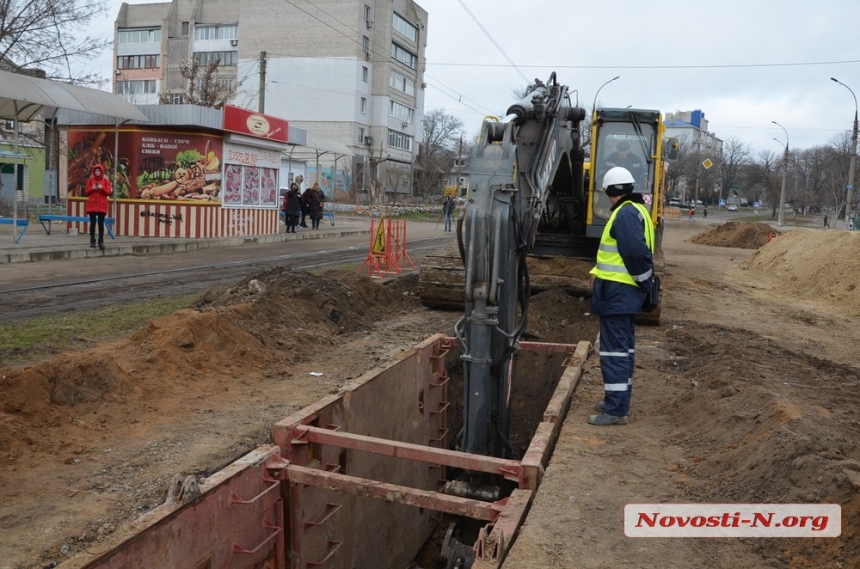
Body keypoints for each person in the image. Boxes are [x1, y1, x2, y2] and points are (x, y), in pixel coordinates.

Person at [588, 167, 655, 426]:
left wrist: (644, 282)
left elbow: (636, 254)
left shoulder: (624, 214)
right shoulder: (636, 210)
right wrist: (597, 271)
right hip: (622, 293)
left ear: (611, 191)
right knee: (623, 350)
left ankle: (615, 411)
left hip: (618, 294)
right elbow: (615, 254)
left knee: (614, 353)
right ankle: (617, 401)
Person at [85, 164, 112, 250]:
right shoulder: (90, 180)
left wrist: (102, 187)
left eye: (99, 171)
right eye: (96, 171)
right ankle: (92, 240)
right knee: (92, 223)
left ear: (101, 171)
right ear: (94, 171)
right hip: (92, 205)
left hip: (102, 205)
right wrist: (92, 188)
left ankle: (101, 241)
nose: (97, 172)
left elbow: (108, 192)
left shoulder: (105, 180)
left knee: (101, 224)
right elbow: (86, 192)